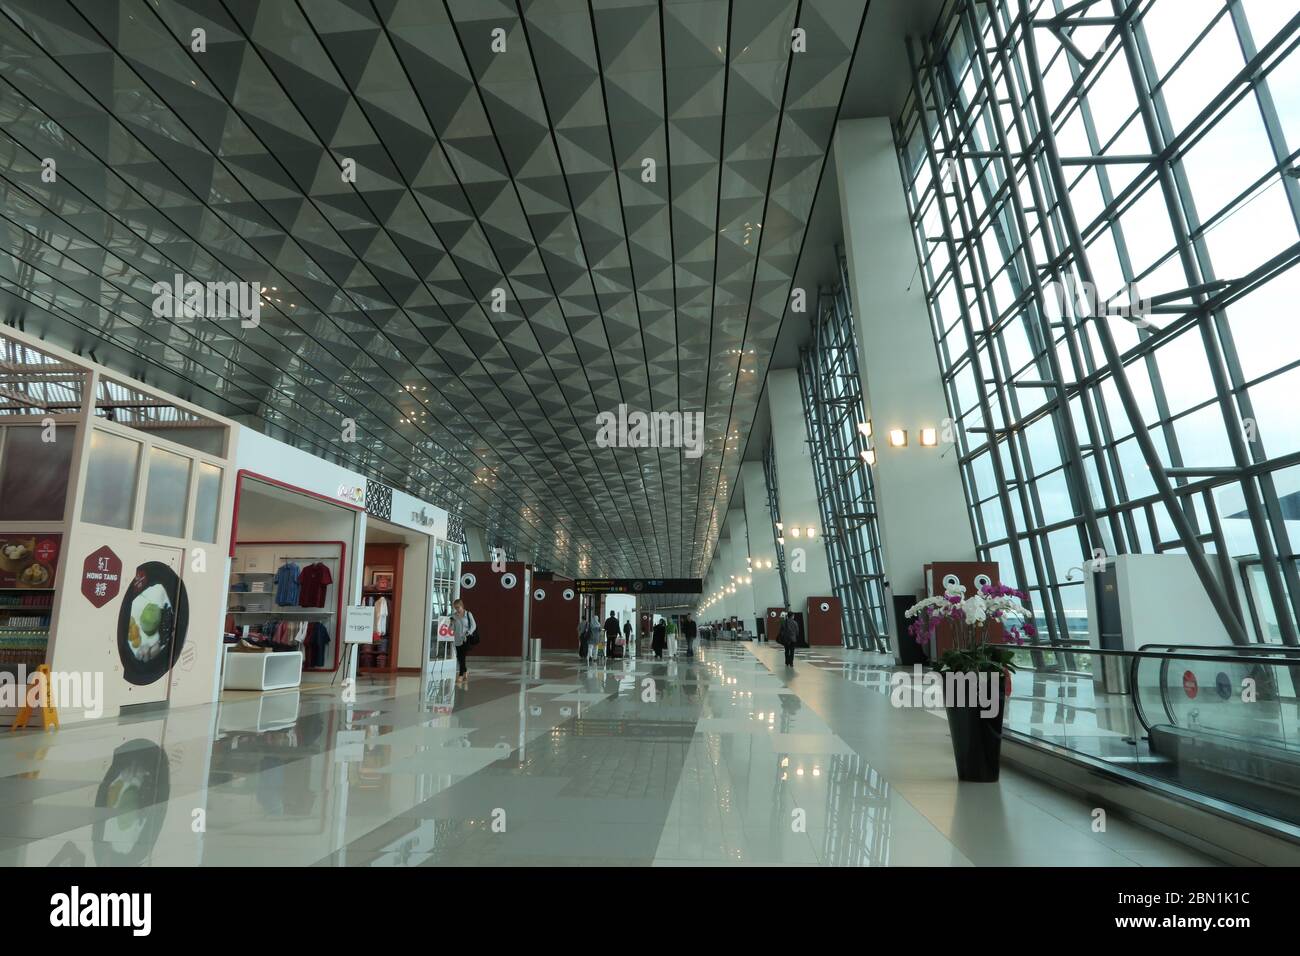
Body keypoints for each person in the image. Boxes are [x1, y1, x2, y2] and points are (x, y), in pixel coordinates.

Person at [451, 598, 477, 685]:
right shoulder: (454, 616)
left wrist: (468, 633)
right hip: (457, 639)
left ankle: (460, 675)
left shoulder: (468, 614)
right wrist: (451, 624)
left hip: (466, 639)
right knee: (459, 657)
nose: (457, 609)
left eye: (458, 607)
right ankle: (465, 671)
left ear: (462, 606)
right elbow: (452, 629)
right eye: (455, 608)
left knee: (462, 656)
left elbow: (473, 625)